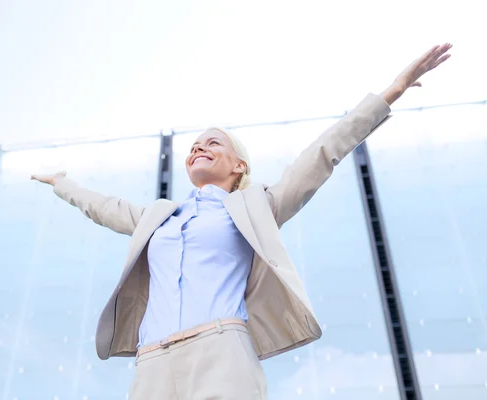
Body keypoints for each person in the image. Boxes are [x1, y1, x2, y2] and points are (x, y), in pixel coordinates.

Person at [31, 43, 452, 400]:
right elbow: (102, 206)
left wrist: (390, 93)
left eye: (213, 143)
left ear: (238, 165)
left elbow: (322, 154)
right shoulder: (157, 218)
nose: (199, 148)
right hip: (152, 361)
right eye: (194, 145)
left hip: (221, 351)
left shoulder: (256, 207)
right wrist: (61, 183)